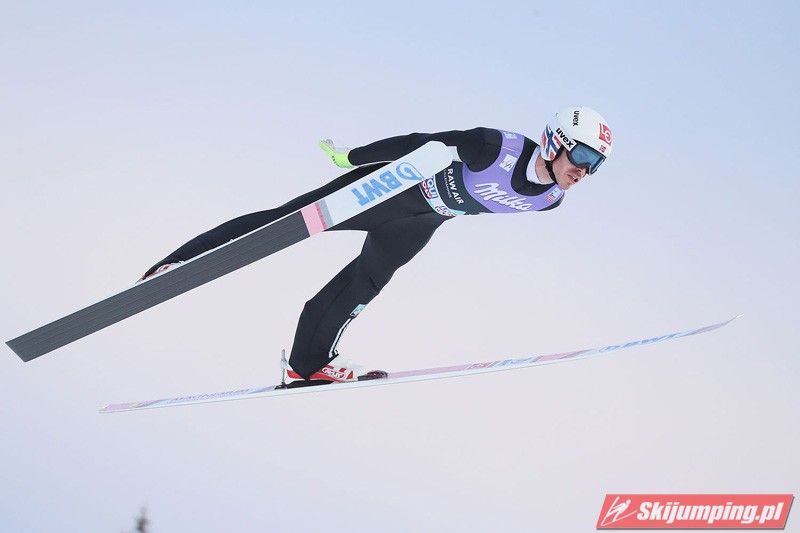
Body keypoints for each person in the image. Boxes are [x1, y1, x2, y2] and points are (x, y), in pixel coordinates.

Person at [140, 106, 613, 384]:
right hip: (384, 191)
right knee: (281, 223)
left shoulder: (550, 200)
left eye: (596, 165)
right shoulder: (494, 147)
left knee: (363, 285)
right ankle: (179, 263)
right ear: (556, 141)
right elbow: (420, 142)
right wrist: (352, 157)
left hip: (422, 221)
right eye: (583, 155)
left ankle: (308, 365)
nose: (585, 171)